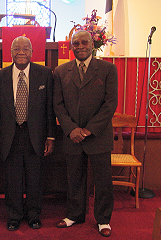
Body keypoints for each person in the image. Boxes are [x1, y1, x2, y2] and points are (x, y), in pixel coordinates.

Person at [53, 30, 118, 237]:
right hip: (72, 136)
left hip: (98, 135)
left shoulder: (108, 69)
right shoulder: (61, 71)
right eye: (75, 43)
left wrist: (89, 129)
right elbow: (58, 104)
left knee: (103, 180)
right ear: (71, 46)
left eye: (84, 42)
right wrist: (71, 129)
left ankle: (103, 219)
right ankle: (74, 215)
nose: (80, 46)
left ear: (92, 44)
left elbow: (110, 104)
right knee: (74, 179)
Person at [0, 36, 56, 231]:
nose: (21, 51)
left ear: (32, 52)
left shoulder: (44, 74)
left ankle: (34, 215)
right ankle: (14, 215)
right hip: (9, 136)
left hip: (35, 135)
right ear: (10, 53)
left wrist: (50, 136)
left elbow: (50, 108)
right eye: (16, 48)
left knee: (35, 178)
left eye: (25, 48)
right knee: (12, 180)